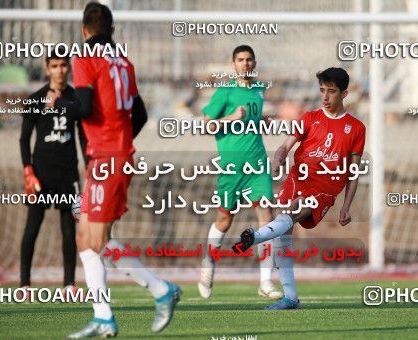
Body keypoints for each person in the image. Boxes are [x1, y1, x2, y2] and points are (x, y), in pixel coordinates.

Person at [67, 2, 180, 338]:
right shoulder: (125, 63)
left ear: (84, 30)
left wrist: (58, 104)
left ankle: (160, 290)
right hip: (112, 156)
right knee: (87, 240)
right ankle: (104, 317)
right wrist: (119, 141)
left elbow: (84, 107)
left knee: (95, 243)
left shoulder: (85, 59)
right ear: (112, 30)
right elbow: (141, 114)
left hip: (107, 159)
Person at [233, 67, 366, 310]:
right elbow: (285, 145)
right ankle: (291, 297)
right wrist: (279, 158)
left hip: (325, 189)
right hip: (298, 179)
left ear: (344, 94)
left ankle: (256, 237)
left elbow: (353, 172)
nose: (325, 97)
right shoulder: (309, 118)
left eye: (331, 92)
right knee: (284, 227)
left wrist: (346, 206)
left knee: (292, 211)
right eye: (322, 91)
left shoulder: (356, 128)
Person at [198, 45, 282, 300]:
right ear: (233, 64)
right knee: (224, 220)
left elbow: (252, 123)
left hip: (257, 165)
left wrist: (263, 122)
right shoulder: (225, 92)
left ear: (254, 63)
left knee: (266, 218)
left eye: (249, 60)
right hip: (231, 168)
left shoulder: (259, 90)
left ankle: (266, 282)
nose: (245, 64)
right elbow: (205, 126)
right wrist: (232, 117)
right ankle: (208, 264)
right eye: (240, 60)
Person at [19, 47, 85, 296]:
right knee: (32, 227)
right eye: (55, 66)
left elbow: (82, 135)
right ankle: (24, 284)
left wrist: (88, 166)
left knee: (69, 230)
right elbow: (24, 139)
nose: (60, 70)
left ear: (69, 68)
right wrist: (28, 170)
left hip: (68, 173)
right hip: (41, 173)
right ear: (47, 69)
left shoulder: (76, 100)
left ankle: (69, 284)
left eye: (64, 65)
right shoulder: (35, 100)